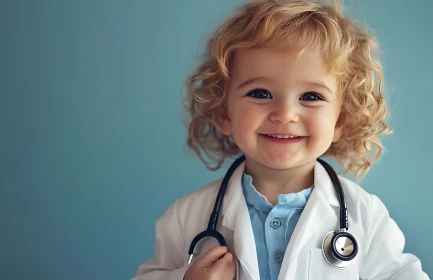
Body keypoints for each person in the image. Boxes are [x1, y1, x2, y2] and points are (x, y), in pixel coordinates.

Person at [132, 0, 430, 279]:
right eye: (260, 93)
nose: (285, 114)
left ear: (340, 120)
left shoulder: (366, 215)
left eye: (311, 96)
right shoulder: (186, 217)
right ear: (224, 113)